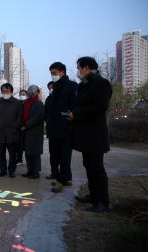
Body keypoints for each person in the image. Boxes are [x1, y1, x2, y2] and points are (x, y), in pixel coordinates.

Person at [67, 56, 112, 213]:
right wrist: (73, 112)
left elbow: (100, 106)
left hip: (95, 134)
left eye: (79, 68)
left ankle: (103, 202)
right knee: (89, 166)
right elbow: (82, 104)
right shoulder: (85, 85)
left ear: (87, 68)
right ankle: (93, 196)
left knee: (97, 168)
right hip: (86, 134)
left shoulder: (101, 83)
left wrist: (77, 114)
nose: (78, 71)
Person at [47, 62, 78, 192]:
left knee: (65, 155)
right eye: (51, 74)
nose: (53, 76)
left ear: (62, 72)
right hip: (54, 126)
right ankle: (68, 178)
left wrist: (72, 114)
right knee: (57, 154)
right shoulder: (56, 87)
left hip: (65, 126)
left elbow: (75, 104)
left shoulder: (71, 86)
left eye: (55, 73)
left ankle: (62, 180)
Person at [0, 83, 23, 178]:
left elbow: (19, 117)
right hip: (0, 132)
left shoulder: (17, 103)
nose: (6, 93)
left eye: (8, 91)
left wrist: (15, 127)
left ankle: (12, 170)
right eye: (4, 91)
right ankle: (3, 170)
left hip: (12, 132)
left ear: (11, 92)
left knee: (12, 154)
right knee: (1, 153)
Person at [21, 85, 45, 179]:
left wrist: (26, 125)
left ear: (37, 92)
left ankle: (36, 172)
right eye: (29, 90)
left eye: (33, 90)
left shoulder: (39, 103)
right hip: (26, 131)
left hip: (35, 131)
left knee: (35, 153)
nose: (30, 92)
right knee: (28, 152)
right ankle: (30, 170)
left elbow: (38, 118)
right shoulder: (27, 103)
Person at [45, 81, 60, 179]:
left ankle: (65, 174)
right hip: (51, 128)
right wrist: (47, 118)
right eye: (49, 88)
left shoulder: (61, 98)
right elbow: (45, 112)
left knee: (62, 154)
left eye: (53, 87)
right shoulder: (48, 99)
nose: (51, 90)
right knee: (53, 153)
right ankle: (54, 171)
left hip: (61, 128)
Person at [16, 89, 28, 165]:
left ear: (27, 96)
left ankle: (28, 160)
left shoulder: (28, 104)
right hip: (18, 127)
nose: (22, 96)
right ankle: (19, 159)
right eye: (20, 94)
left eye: (23, 94)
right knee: (18, 145)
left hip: (26, 127)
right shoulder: (17, 104)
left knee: (26, 145)